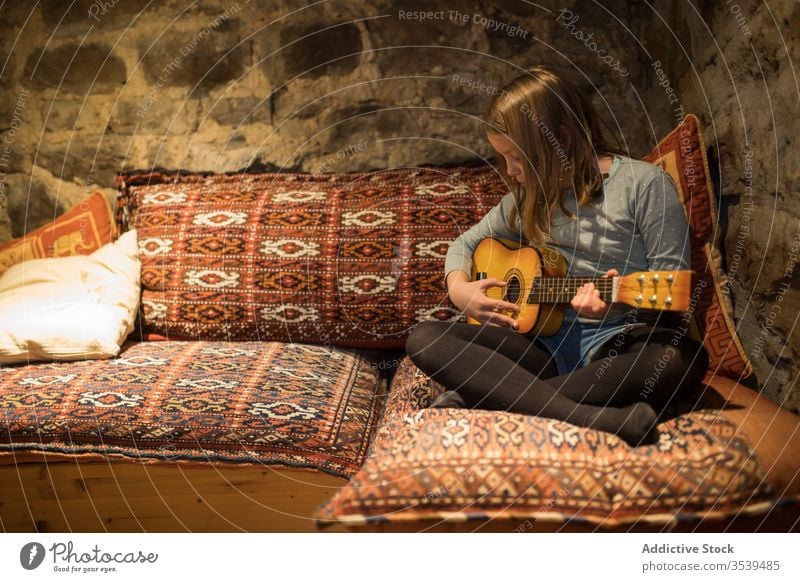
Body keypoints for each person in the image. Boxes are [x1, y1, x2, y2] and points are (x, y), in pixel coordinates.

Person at [405, 67, 709, 447]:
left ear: (560, 139)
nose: (511, 172)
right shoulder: (527, 199)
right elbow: (463, 245)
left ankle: (493, 397)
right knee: (426, 338)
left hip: (616, 345)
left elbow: (673, 293)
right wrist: (459, 290)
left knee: (682, 360)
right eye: (504, 159)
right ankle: (588, 418)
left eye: (517, 158)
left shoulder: (643, 185)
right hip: (539, 348)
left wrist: (612, 305)